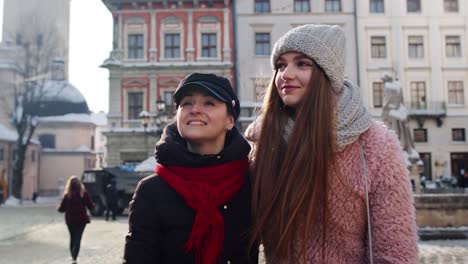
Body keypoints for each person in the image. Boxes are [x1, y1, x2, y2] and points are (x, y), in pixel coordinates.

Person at [245, 24, 418, 263]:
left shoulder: (375, 145)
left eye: (302, 63)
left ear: (328, 72)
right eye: (281, 65)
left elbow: (396, 253)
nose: (286, 74)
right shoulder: (263, 143)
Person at [123, 73, 258, 264]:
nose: (194, 109)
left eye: (209, 103)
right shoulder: (151, 191)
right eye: (186, 103)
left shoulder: (252, 183)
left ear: (230, 120)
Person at [58, 175, 95, 264]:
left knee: (72, 238)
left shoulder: (67, 195)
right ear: (79, 184)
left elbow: (61, 209)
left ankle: (73, 257)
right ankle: (74, 258)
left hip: (70, 220)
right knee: (78, 238)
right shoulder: (83, 193)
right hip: (81, 219)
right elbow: (90, 205)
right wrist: (92, 208)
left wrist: (60, 208)